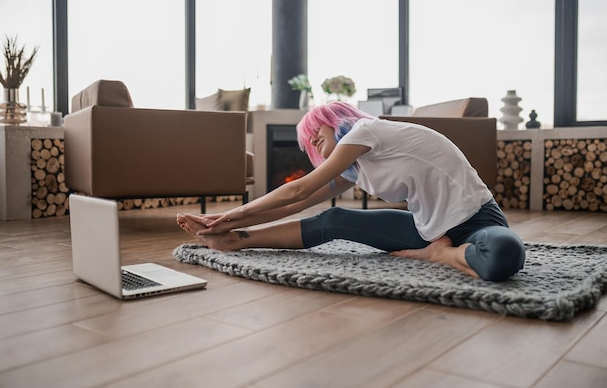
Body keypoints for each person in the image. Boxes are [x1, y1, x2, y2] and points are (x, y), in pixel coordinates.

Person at [177, 101, 525, 281]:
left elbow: (298, 190)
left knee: (505, 252)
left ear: (337, 118)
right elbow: (297, 203)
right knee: (334, 218)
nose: (311, 137)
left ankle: (440, 255)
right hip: (427, 229)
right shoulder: (353, 167)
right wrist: (231, 226)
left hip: (476, 220)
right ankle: (238, 241)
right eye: (307, 139)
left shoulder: (365, 130)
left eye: (316, 127)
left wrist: (228, 212)